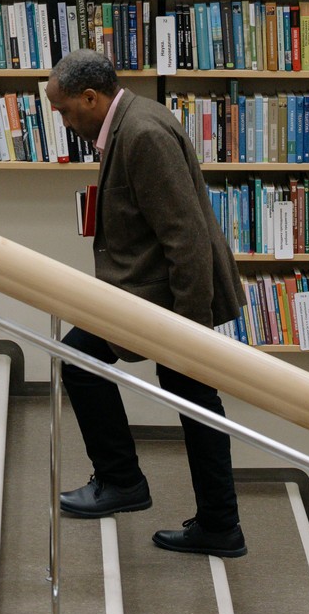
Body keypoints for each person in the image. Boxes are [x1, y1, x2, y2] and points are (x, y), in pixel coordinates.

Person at [45, 51, 247, 557]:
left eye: (66, 110)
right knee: (193, 404)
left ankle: (128, 485)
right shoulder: (133, 119)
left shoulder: (143, 134)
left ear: (91, 98)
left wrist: (190, 330)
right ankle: (214, 522)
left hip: (169, 302)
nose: (65, 121)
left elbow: (186, 236)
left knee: (93, 364)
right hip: (156, 294)